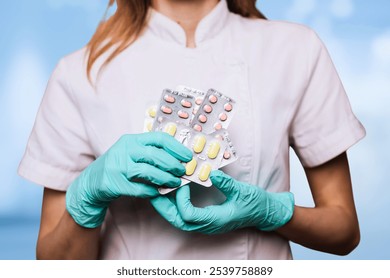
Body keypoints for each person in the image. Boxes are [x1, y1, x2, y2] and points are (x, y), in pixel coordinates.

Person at [18, 0, 366, 259]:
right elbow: (54, 265)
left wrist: (271, 212)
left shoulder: (295, 49)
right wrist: (87, 198)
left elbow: (343, 231)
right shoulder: (79, 73)